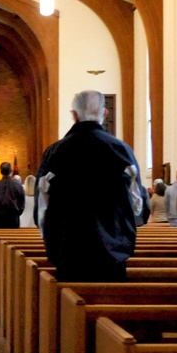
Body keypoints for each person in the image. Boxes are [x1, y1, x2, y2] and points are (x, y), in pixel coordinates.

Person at [36, 90, 143, 281]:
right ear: (105, 113)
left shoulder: (55, 153)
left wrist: (52, 242)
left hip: (68, 251)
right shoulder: (121, 151)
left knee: (69, 304)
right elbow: (138, 206)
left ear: (74, 115)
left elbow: (42, 208)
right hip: (113, 252)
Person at [0, 161, 26, 227]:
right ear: (11, 171)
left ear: (1, 172)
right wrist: (18, 212)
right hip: (13, 218)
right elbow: (22, 201)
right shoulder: (18, 185)